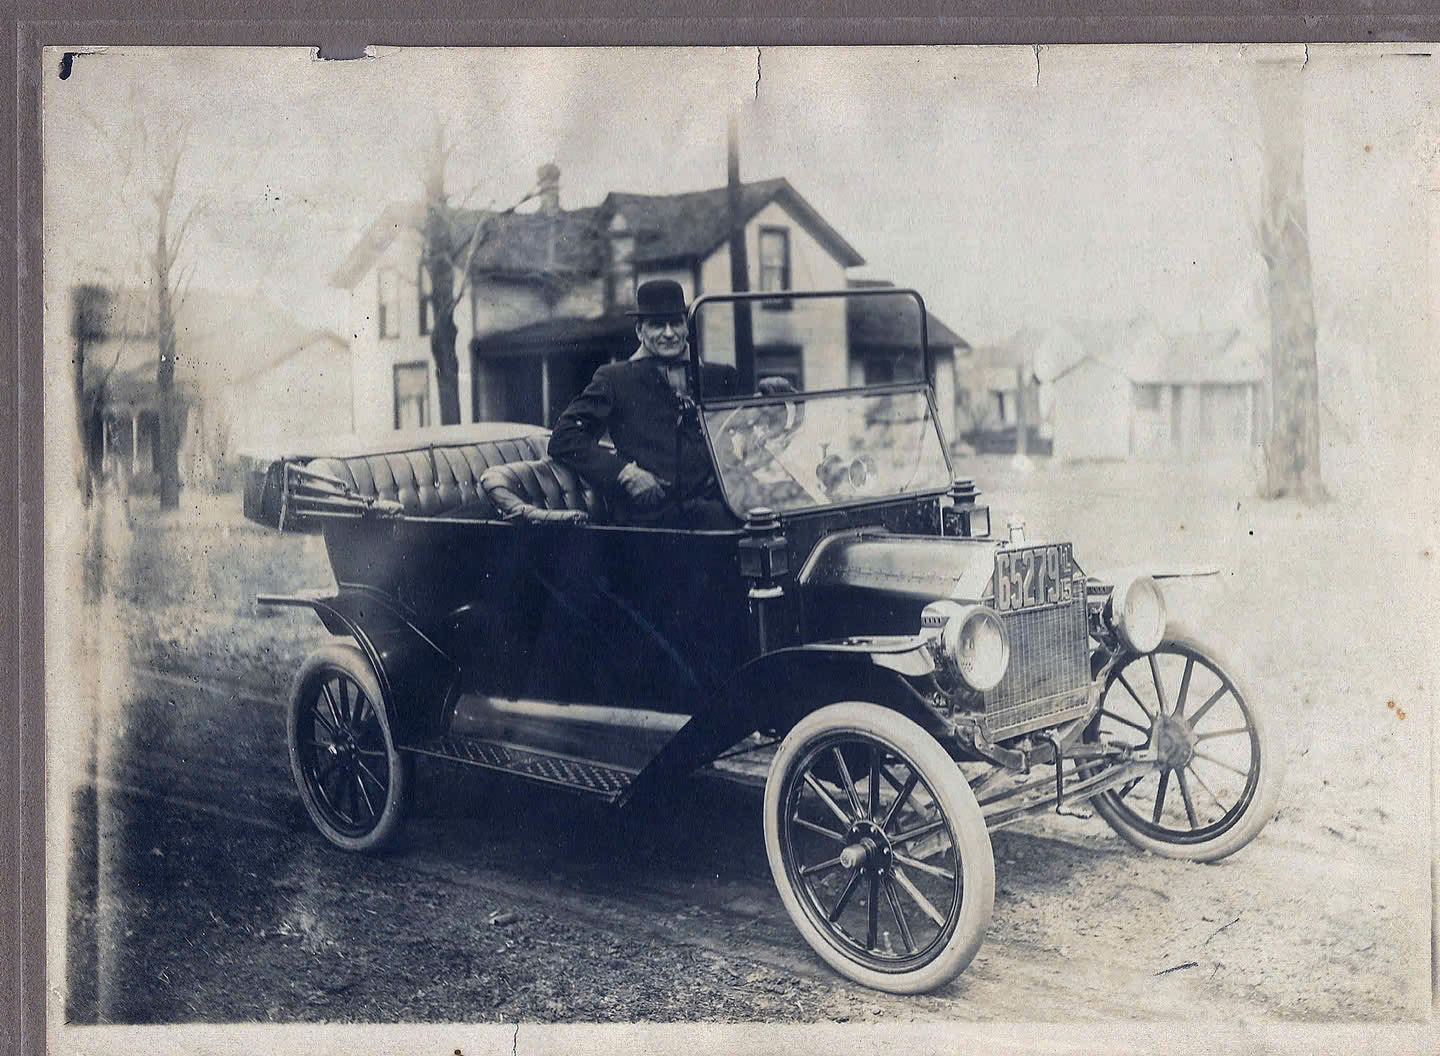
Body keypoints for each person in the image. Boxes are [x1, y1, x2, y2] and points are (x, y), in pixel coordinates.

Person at [548, 279, 744, 529]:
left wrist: (773, 396)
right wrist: (625, 473)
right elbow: (565, 437)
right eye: (657, 325)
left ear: (687, 327)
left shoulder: (719, 376)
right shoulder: (615, 379)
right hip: (654, 519)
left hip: (724, 506)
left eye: (676, 323)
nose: (669, 333)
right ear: (640, 331)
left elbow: (750, 428)